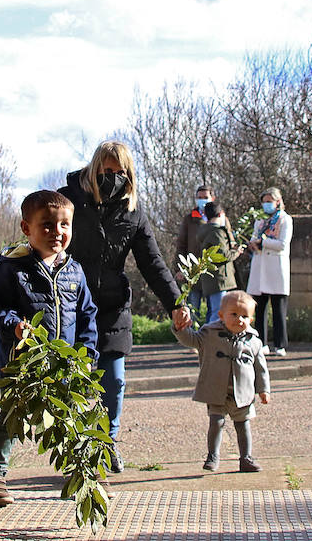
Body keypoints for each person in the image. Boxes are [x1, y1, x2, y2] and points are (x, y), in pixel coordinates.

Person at [59, 140, 191, 473]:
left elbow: (153, 262)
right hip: (70, 304)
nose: (112, 177)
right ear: (93, 169)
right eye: (106, 171)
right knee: (71, 382)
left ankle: (107, 443)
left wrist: (175, 303)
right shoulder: (68, 200)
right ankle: (76, 448)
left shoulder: (134, 212)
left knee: (114, 382)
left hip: (113, 306)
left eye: (119, 172)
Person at [0, 190, 97, 508]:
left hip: (66, 365)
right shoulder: (11, 267)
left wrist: (87, 356)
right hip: (24, 365)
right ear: (26, 228)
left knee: (74, 416)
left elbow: (87, 316)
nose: (56, 232)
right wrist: (13, 325)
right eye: (46, 225)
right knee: (12, 419)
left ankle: (82, 476)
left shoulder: (74, 271)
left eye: (64, 225)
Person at [173, 289, 269, 473]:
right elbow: (192, 340)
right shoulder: (209, 333)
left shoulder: (253, 341)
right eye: (233, 314)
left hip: (243, 392)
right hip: (216, 390)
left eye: (244, 316)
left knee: (243, 424)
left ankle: (246, 458)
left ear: (251, 319)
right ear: (221, 315)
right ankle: (213, 456)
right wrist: (180, 329)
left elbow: (261, 368)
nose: (239, 320)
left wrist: (264, 390)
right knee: (216, 423)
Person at [244, 186, 292, 356]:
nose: (266, 205)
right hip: (260, 265)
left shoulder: (285, 220)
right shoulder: (260, 221)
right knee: (260, 308)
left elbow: (282, 244)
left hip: (276, 268)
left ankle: (280, 344)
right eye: (264, 202)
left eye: (269, 202)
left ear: (278, 202)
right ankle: (261, 342)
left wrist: (263, 242)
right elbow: (253, 237)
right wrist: (252, 243)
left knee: (278, 308)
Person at [175, 185, 231, 319]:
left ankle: (209, 338)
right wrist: (181, 268)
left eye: (205, 197)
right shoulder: (190, 219)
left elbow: (229, 241)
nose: (202, 200)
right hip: (194, 271)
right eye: (199, 198)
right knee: (193, 310)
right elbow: (181, 245)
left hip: (214, 273)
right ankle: (191, 338)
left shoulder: (221, 219)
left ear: (213, 198)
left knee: (215, 310)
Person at [196, 201, 241, 324]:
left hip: (210, 278)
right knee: (218, 312)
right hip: (220, 278)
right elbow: (222, 255)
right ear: (221, 214)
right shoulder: (217, 232)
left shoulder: (204, 231)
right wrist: (236, 252)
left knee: (213, 311)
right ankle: (211, 340)